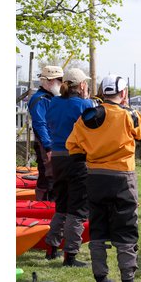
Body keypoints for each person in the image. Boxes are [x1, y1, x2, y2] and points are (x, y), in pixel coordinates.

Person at [66, 74, 141, 282]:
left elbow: (72, 147)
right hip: (123, 178)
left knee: (98, 227)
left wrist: (91, 154)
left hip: (95, 178)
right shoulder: (131, 114)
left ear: (103, 92)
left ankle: (101, 277)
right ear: (123, 93)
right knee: (126, 227)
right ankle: (128, 277)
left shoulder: (88, 116)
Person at [44, 68, 94, 266]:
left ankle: (51, 248)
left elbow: (50, 123)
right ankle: (70, 255)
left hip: (57, 158)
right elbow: (93, 130)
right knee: (78, 208)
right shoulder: (84, 104)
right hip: (76, 158)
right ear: (82, 85)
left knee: (62, 204)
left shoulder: (54, 102)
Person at [28, 65, 63, 201]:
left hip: (54, 143)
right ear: (50, 82)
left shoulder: (51, 97)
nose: (61, 85)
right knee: (48, 177)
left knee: (54, 177)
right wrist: (48, 146)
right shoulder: (40, 100)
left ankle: (52, 208)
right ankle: (44, 207)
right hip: (46, 144)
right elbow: (40, 124)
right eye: (59, 81)